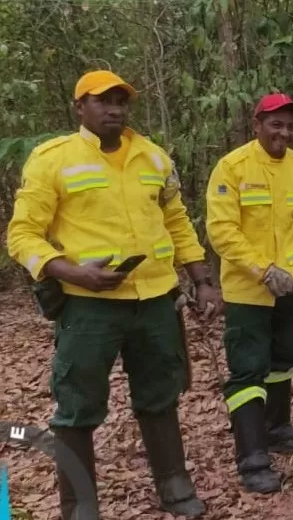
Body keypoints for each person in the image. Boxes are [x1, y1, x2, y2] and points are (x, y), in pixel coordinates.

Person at [6, 70, 218, 519]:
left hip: (156, 300)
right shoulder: (52, 159)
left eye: (121, 101)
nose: (114, 108)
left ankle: (175, 485)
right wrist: (72, 273)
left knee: (160, 393)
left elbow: (177, 220)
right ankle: (79, 504)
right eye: (102, 101)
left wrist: (201, 280)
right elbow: (23, 235)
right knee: (77, 407)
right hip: (88, 308)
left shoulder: (154, 157)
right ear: (79, 106)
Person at [205, 93, 293, 494]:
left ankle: (277, 428)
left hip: (291, 287)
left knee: (284, 361)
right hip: (248, 291)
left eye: (290, 125)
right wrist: (264, 271)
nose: (284, 132)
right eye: (276, 124)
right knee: (247, 370)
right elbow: (222, 231)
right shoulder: (232, 167)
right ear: (257, 124)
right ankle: (252, 456)